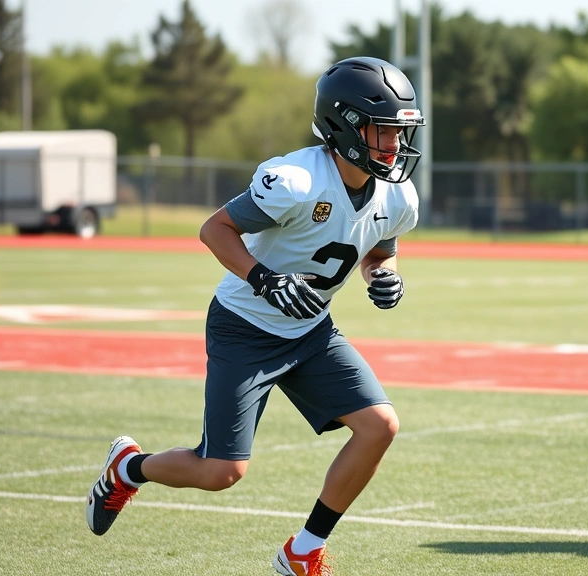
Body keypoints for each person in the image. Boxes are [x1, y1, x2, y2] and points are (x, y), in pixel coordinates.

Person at [85, 56, 426, 576]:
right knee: (222, 471)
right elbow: (215, 229)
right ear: (347, 127)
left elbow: (379, 248)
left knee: (380, 426)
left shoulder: (397, 195)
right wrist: (264, 277)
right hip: (246, 328)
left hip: (311, 331)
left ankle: (304, 551)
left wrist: (383, 274)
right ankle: (128, 469)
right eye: (385, 133)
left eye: (401, 134)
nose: (397, 147)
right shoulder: (294, 180)